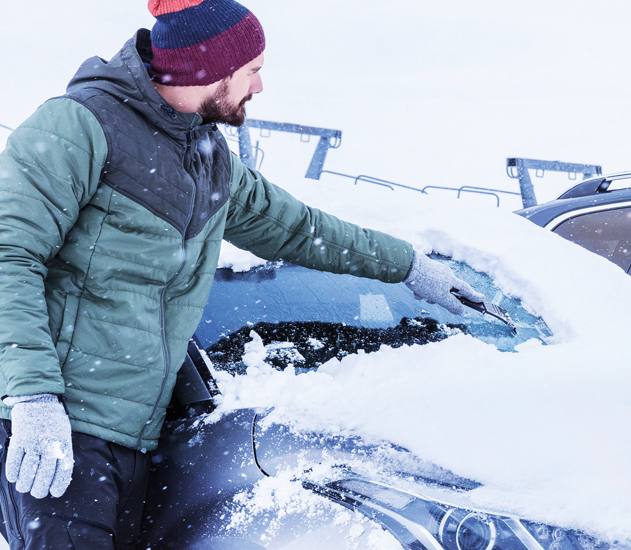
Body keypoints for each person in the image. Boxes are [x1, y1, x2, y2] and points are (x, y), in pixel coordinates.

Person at [0, 1, 486, 547]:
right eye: (252, 70)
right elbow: (8, 257)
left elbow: (301, 229)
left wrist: (410, 266)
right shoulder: (77, 126)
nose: (260, 86)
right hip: (63, 429)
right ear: (207, 69)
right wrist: (34, 399)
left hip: (139, 434)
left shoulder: (207, 155)